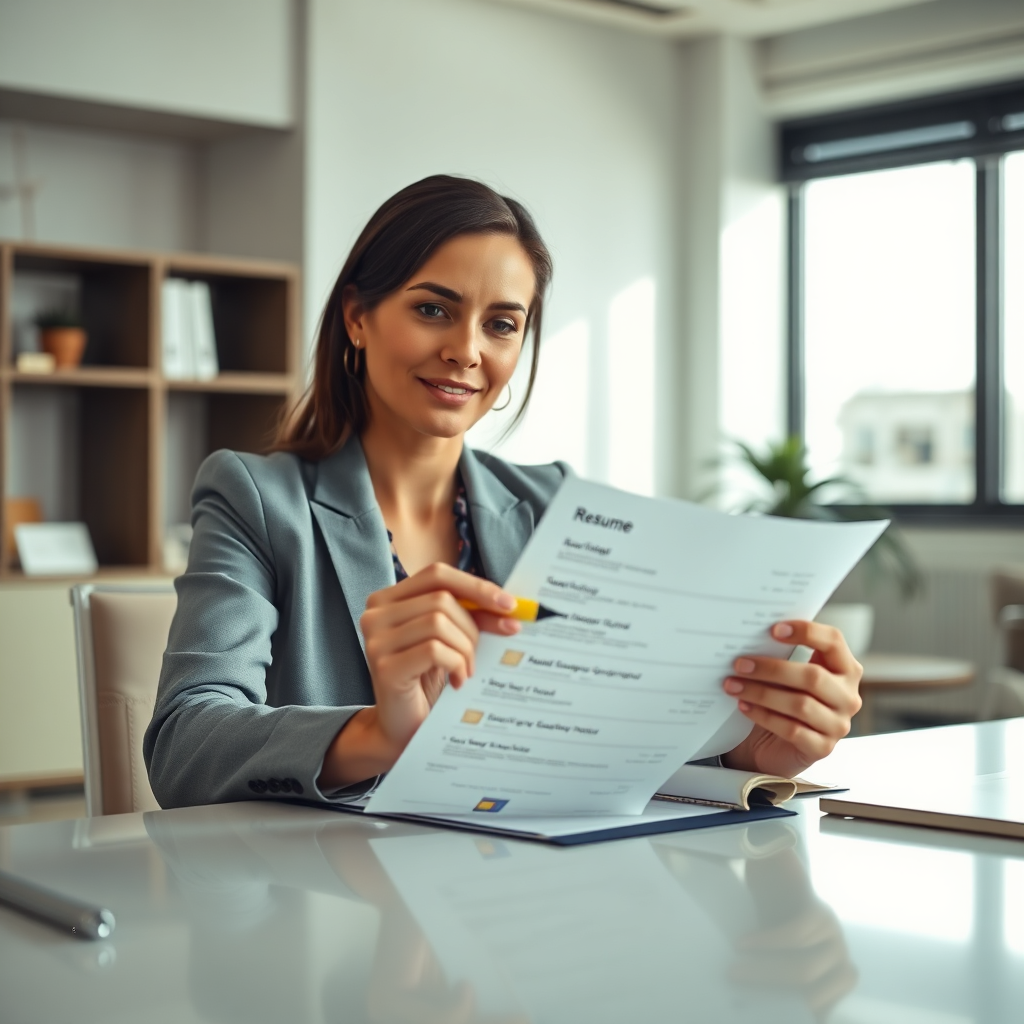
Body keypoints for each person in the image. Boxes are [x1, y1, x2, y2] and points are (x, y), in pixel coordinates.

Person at [144, 175, 863, 808]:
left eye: (501, 324)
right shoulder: (256, 498)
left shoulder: (557, 506)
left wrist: (750, 754)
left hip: (516, 897)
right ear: (358, 318)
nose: (467, 349)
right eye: (433, 309)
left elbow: (599, 736)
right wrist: (376, 733)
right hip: (326, 909)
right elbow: (184, 743)